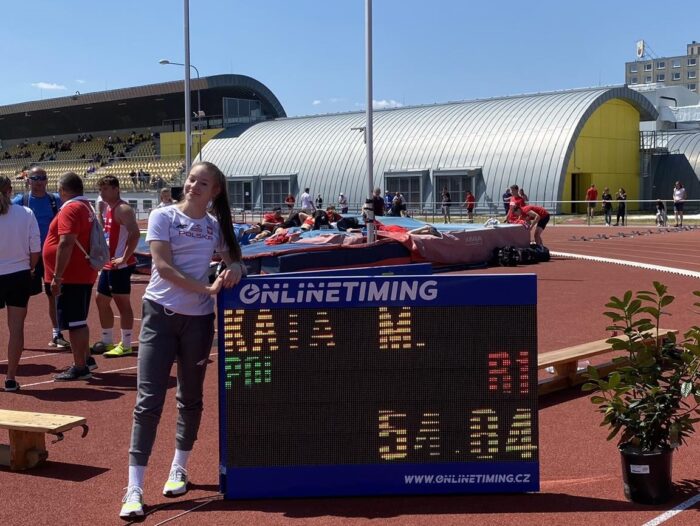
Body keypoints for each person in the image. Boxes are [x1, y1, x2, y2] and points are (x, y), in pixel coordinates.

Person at [119, 161, 245, 519]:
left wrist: (235, 266)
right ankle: (134, 488)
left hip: (200, 322)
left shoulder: (215, 227)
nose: (192, 186)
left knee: (190, 398)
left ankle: (179, 468)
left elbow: (234, 255)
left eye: (202, 183)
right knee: (148, 402)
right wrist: (206, 287)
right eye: (191, 180)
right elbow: (163, 267)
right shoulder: (163, 216)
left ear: (215, 192)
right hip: (160, 315)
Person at [43, 172, 99, 381]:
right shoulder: (86, 206)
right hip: (80, 273)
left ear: (63, 190)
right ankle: (86, 359)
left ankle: (80, 366)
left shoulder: (72, 208)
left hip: (72, 275)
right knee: (78, 320)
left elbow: (66, 242)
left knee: (75, 322)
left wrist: (57, 277)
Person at [11, 166, 67, 348]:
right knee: (22, 298)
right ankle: (17, 337)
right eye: (35, 178)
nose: (39, 181)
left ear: (47, 180)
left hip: (51, 257)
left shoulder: (55, 200)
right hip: (29, 257)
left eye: (43, 177)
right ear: (28, 181)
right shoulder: (21, 201)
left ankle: (57, 333)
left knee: (54, 295)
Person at [90, 176, 140, 358]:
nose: (101, 193)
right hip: (109, 264)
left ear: (115, 189)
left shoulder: (123, 209)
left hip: (120, 266)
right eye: (100, 190)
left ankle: (126, 344)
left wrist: (124, 258)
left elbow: (135, 234)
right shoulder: (108, 209)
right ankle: (106, 340)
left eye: (104, 189)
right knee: (101, 300)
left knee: (122, 304)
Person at [1, 176, 41, 392]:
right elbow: (36, 248)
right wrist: (31, 267)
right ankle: (10, 378)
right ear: (10, 190)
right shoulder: (25, 213)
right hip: (18, 274)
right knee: (16, 328)